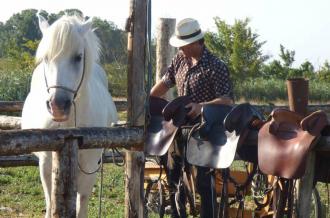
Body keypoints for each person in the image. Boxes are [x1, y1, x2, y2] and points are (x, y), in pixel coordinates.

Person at [150, 18, 234, 218]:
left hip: (204, 130)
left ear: (197, 42)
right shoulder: (180, 59)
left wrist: (201, 106)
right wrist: (149, 99)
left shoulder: (216, 66)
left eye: (184, 46)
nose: (181, 49)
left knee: (204, 183)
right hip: (179, 127)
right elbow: (165, 82)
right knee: (173, 176)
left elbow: (227, 100)